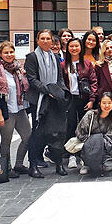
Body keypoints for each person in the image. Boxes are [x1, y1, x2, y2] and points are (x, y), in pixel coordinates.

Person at [24, 29, 69, 178]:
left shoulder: (56, 57)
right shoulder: (32, 57)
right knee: (38, 133)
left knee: (57, 132)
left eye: (48, 38)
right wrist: (48, 90)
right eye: (42, 38)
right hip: (39, 100)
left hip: (55, 99)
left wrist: (60, 91)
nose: (45, 41)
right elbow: (32, 79)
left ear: (52, 41)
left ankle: (58, 164)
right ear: (37, 41)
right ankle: (33, 164)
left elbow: (60, 78)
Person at [0, 41, 30, 179]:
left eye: (11, 52)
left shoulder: (18, 69)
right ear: (0, 54)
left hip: (20, 109)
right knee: (6, 141)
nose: (9, 55)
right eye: (5, 52)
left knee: (28, 137)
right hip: (6, 112)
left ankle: (19, 164)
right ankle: (6, 168)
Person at [61, 37, 98, 170]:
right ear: (67, 48)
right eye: (71, 46)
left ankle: (84, 154)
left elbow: (94, 82)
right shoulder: (63, 64)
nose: (74, 48)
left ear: (80, 48)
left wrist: (92, 100)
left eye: (76, 46)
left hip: (84, 99)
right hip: (70, 99)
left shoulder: (87, 64)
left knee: (85, 127)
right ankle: (72, 155)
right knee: (70, 126)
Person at [75, 92, 112, 176]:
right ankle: (86, 164)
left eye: (109, 103)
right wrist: (92, 141)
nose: (107, 106)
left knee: (102, 142)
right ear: (99, 104)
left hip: (103, 145)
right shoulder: (90, 115)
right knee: (96, 139)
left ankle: (101, 163)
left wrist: (99, 141)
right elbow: (79, 131)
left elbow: (111, 138)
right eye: (104, 103)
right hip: (87, 144)